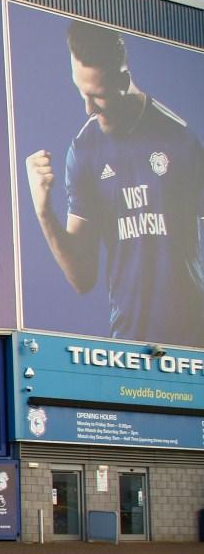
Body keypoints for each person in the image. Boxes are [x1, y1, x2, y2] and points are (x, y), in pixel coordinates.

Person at [24, 20, 204, 347]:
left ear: (123, 79)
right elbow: (82, 278)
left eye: (98, 96)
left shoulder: (181, 138)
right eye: (81, 92)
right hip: (127, 345)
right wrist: (43, 211)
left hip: (193, 344)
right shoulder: (83, 150)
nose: (88, 108)